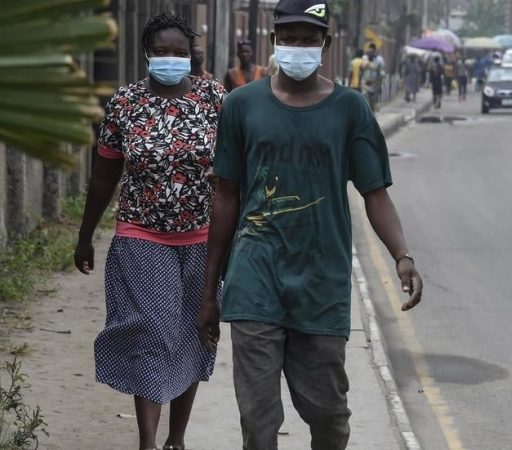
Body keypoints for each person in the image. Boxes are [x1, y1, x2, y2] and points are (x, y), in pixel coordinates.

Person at [195, 0, 423, 448]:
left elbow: (374, 193)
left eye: (308, 39)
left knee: (329, 414)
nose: (297, 46)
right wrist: (209, 291)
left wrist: (402, 255)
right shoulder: (241, 106)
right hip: (254, 276)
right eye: (289, 38)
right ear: (275, 40)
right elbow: (225, 196)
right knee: (258, 422)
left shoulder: (350, 109)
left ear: (325, 43)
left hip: (321, 281)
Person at [74, 13, 226, 450]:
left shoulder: (216, 100)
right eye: (162, 52)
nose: (170, 59)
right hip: (142, 236)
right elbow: (104, 175)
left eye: (179, 52)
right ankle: (147, 441)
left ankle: (177, 439)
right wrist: (85, 235)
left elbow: (236, 170)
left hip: (201, 239)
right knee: (152, 332)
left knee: (192, 336)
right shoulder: (126, 102)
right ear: (146, 53)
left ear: (191, 56)